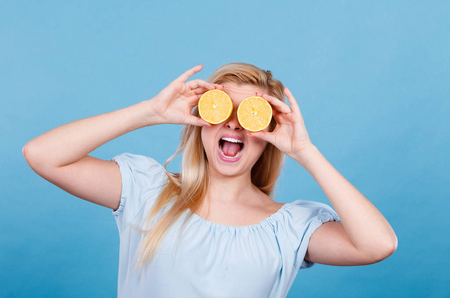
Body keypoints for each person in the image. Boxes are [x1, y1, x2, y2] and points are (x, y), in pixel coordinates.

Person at [23, 63, 398, 298]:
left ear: (268, 134)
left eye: (251, 115)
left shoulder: (289, 227)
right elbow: (42, 155)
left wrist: (305, 151)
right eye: (221, 109)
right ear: (201, 121)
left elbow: (378, 244)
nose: (233, 122)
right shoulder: (148, 192)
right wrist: (150, 112)